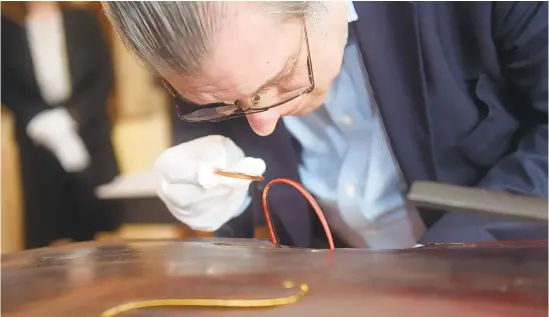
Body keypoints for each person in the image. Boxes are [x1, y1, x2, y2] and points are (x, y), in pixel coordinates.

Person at [103, 1, 548, 249]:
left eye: (280, 79)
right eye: (222, 103)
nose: (261, 124)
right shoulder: (205, 65)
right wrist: (224, 197)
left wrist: (445, 257)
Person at [2, 2, 120, 249]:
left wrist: (72, 117)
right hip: (38, 140)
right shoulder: (9, 29)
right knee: (46, 232)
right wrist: (39, 119)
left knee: (92, 227)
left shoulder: (83, 21)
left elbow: (103, 76)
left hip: (87, 133)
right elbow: (7, 86)